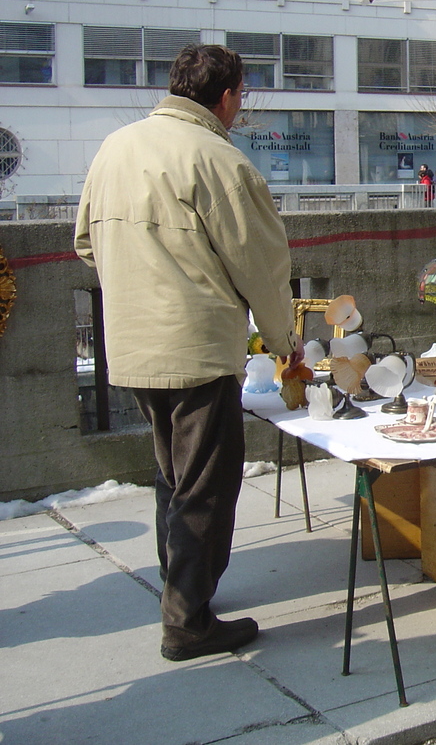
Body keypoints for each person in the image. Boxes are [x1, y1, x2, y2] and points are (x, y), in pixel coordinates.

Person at [74, 44, 302, 661]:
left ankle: (183, 592)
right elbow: (262, 268)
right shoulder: (219, 160)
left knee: (173, 476)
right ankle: (188, 619)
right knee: (204, 482)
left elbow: (85, 244)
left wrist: (139, 281)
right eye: (243, 97)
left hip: (132, 340)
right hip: (195, 343)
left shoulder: (115, 147)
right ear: (227, 97)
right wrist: (285, 344)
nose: (241, 108)